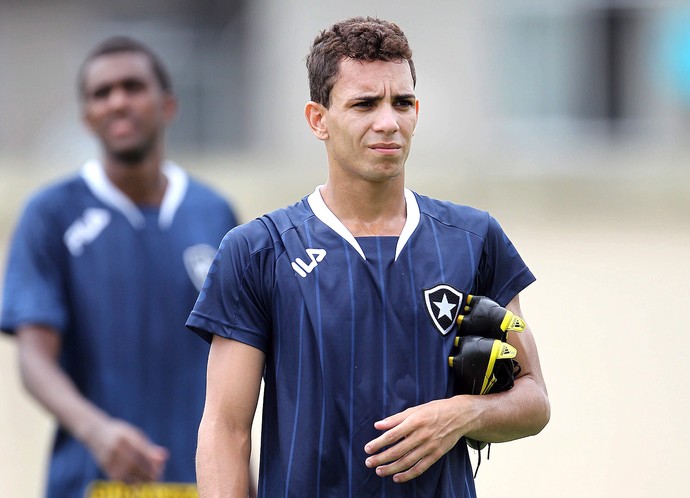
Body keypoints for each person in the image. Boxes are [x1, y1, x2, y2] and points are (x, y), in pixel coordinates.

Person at [187, 16, 550, 497]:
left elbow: (534, 399)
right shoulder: (257, 250)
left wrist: (462, 414)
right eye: (364, 104)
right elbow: (225, 430)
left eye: (402, 103)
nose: (388, 122)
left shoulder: (474, 238)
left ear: (416, 110)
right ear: (319, 119)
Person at [0, 37, 239, 498]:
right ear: (87, 116)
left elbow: (239, 356)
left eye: (133, 86)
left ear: (167, 104)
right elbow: (34, 358)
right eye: (101, 93)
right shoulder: (50, 214)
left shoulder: (214, 213)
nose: (118, 102)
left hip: (201, 483)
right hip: (90, 481)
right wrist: (96, 431)